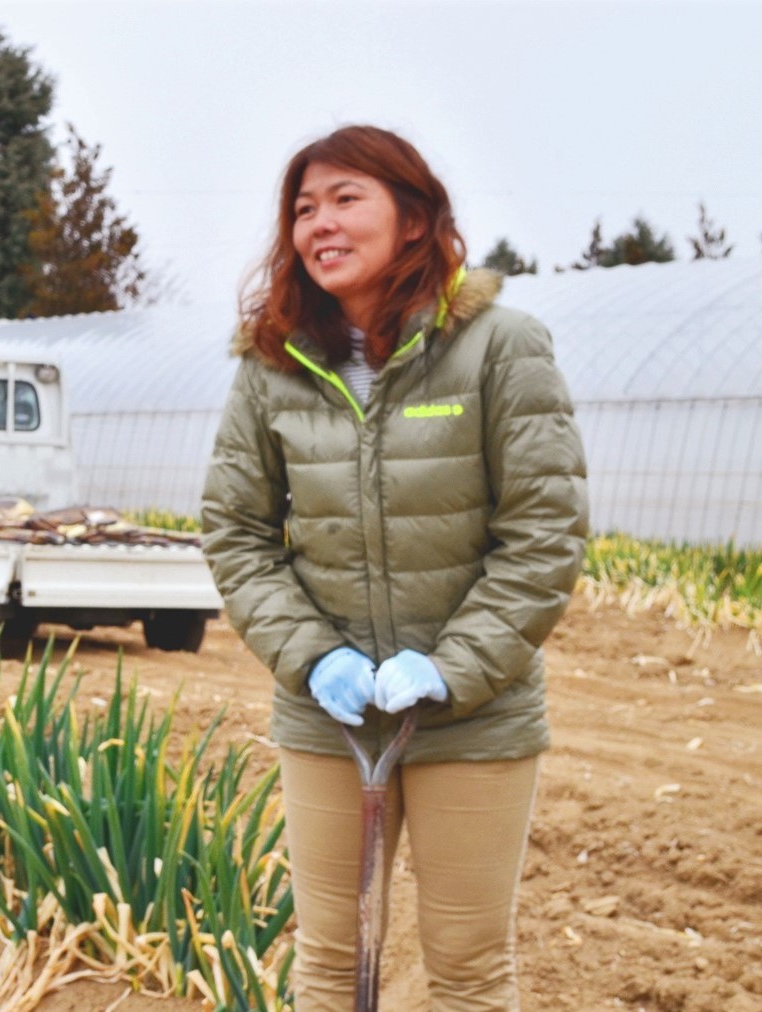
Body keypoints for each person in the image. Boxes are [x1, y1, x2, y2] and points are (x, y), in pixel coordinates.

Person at [200, 124, 588, 1011]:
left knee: (466, 971)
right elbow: (235, 529)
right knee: (330, 966)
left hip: (472, 712)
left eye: (346, 199)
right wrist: (312, 658)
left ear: (413, 220)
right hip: (329, 714)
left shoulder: (499, 347)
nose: (318, 225)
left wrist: (449, 671)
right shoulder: (273, 364)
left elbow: (543, 533)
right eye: (303, 209)